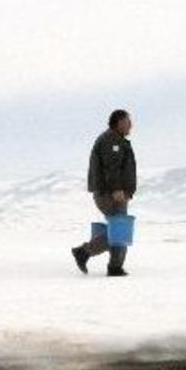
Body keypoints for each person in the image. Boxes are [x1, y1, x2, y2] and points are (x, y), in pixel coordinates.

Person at [72, 109, 137, 277]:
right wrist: (116, 189)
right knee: (119, 229)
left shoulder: (116, 140)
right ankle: (84, 251)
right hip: (111, 194)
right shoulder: (111, 140)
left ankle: (115, 266)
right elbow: (111, 168)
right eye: (128, 121)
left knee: (118, 228)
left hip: (114, 193)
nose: (131, 125)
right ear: (120, 122)